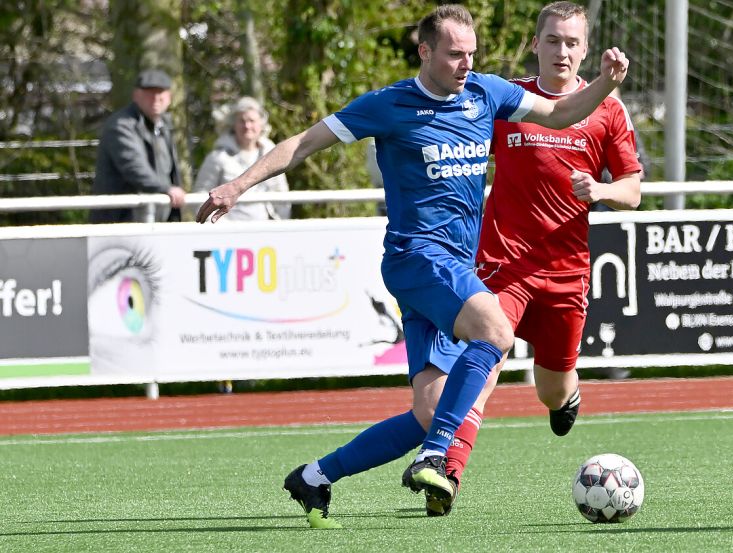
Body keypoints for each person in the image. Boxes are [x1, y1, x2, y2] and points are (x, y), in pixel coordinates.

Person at [195, 4, 628, 528]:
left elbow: (560, 113)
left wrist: (605, 81)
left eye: (471, 54)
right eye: (453, 54)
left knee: (428, 412)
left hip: (453, 270)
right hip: (416, 259)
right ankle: (436, 456)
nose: (465, 64)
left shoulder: (486, 93)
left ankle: (315, 476)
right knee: (495, 331)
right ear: (425, 51)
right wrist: (238, 185)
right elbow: (305, 143)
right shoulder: (389, 105)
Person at [426, 1, 642, 517]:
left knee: (551, 390)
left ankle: (566, 398)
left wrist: (603, 191)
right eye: (552, 40)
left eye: (571, 43)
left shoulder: (606, 107)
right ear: (536, 44)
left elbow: (633, 190)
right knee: (487, 358)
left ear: (585, 50)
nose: (561, 51)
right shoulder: (509, 100)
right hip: (505, 265)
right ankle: (447, 472)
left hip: (567, 275)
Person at [91, 69, 186, 223]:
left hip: (159, 220)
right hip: (123, 222)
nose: (156, 98)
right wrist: (166, 189)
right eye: (149, 93)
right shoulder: (121, 126)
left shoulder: (165, 127)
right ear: (136, 95)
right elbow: (134, 167)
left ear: (169, 97)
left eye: (160, 92)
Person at [193, 96, 290, 221]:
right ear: (234, 124)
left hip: (265, 231)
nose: (247, 126)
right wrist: (218, 225)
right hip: (228, 234)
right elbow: (200, 196)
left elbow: (282, 195)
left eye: (252, 121)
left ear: (261, 124)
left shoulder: (273, 155)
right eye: (242, 121)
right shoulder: (217, 157)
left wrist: (280, 225)